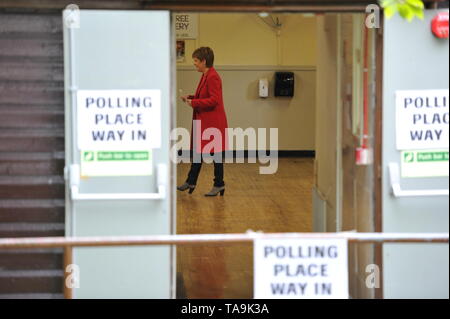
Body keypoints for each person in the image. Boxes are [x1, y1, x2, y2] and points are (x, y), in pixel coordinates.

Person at [177, 47, 228, 196]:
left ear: (204, 61)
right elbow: (205, 96)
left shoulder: (213, 77)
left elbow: (214, 100)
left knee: (216, 155)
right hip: (206, 120)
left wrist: (194, 103)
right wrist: (192, 98)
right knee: (199, 151)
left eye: (196, 61)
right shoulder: (206, 75)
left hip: (213, 122)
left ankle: (218, 183)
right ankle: (191, 181)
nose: (195, 64)